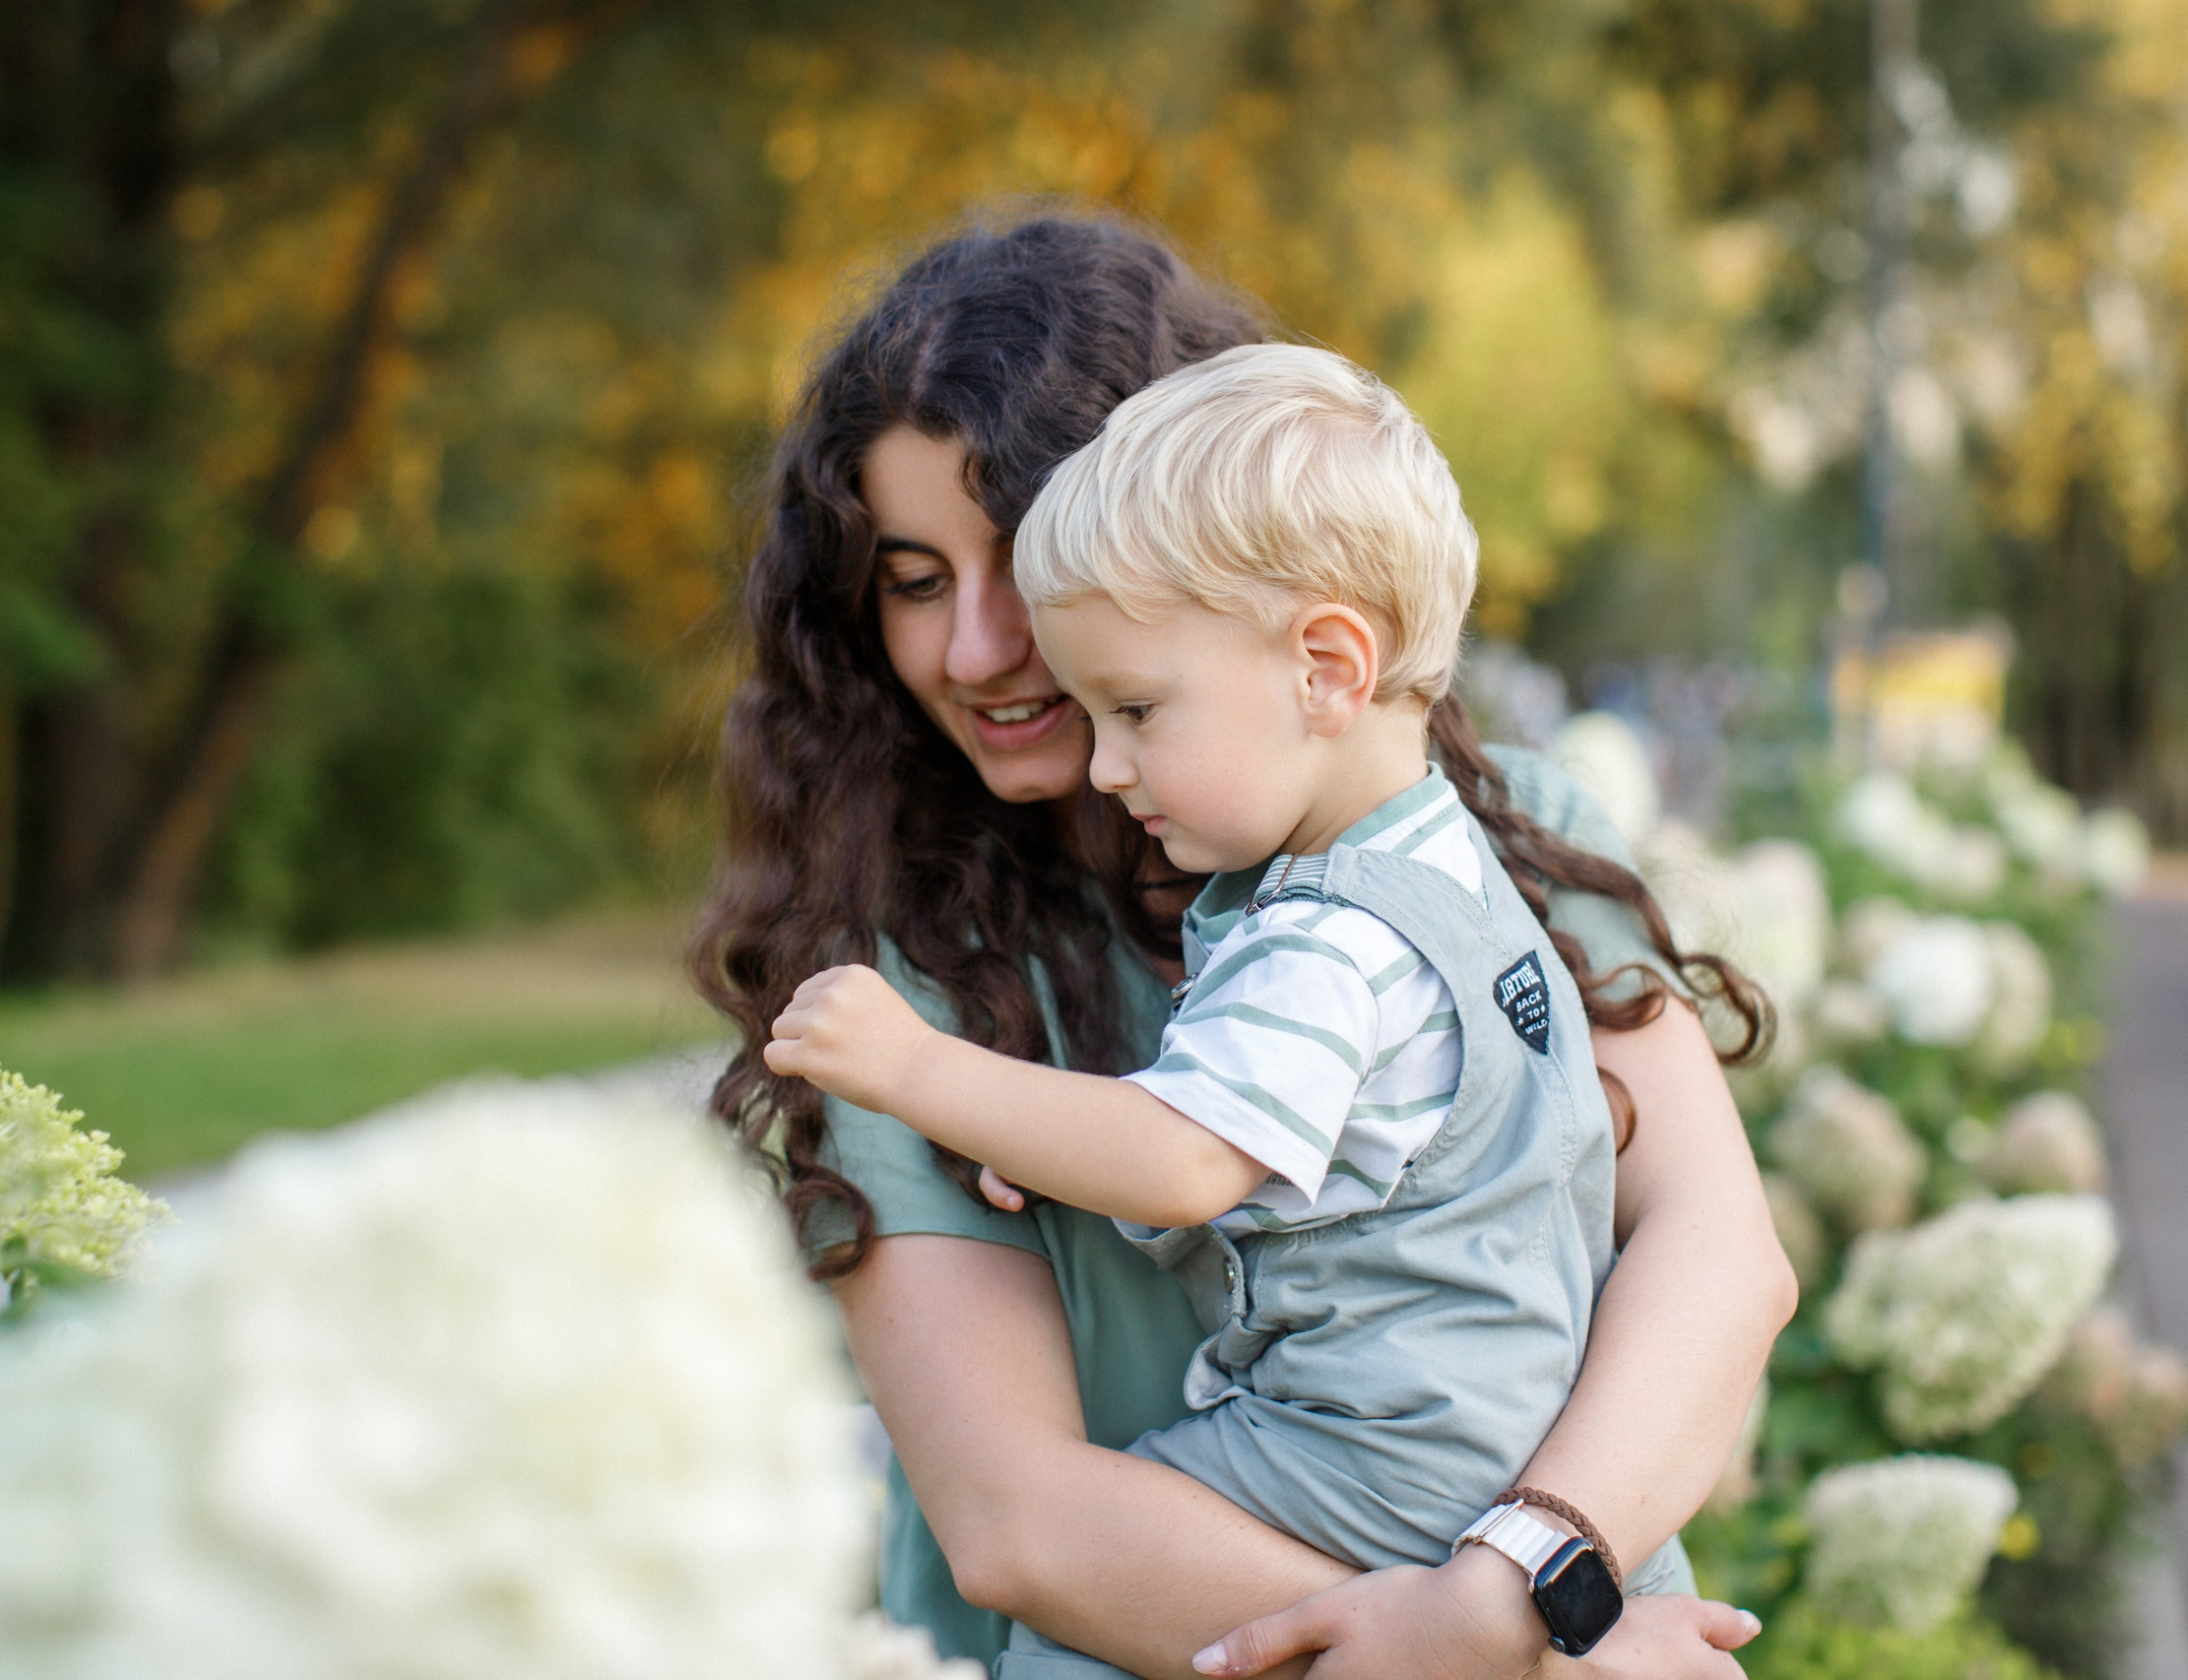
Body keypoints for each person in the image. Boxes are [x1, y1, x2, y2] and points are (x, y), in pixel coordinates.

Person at [690, 214, 1794, 1680]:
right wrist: (1522, 1667)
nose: (973, 645)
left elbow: (1718, 1257)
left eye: (1021, 552)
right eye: (911, 578)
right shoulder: (900, 987)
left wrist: (1523, 1581)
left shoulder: (1507, 839)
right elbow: (1021, 1521)